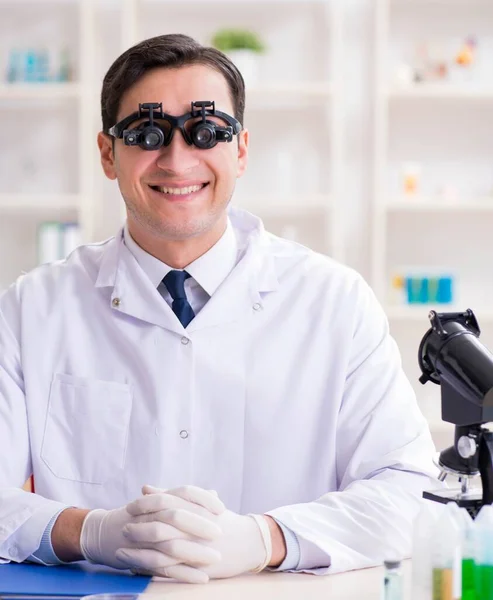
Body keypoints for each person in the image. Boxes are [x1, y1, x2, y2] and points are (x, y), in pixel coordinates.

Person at [0, 33, 442, 584]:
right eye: (146, 132)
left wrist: (268, 539)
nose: (178, 159)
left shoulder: (335, 303)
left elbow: (407, 489)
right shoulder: (32, 308)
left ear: (241, 150)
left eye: (207, 132)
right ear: (108, 155)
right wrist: (88, 531)